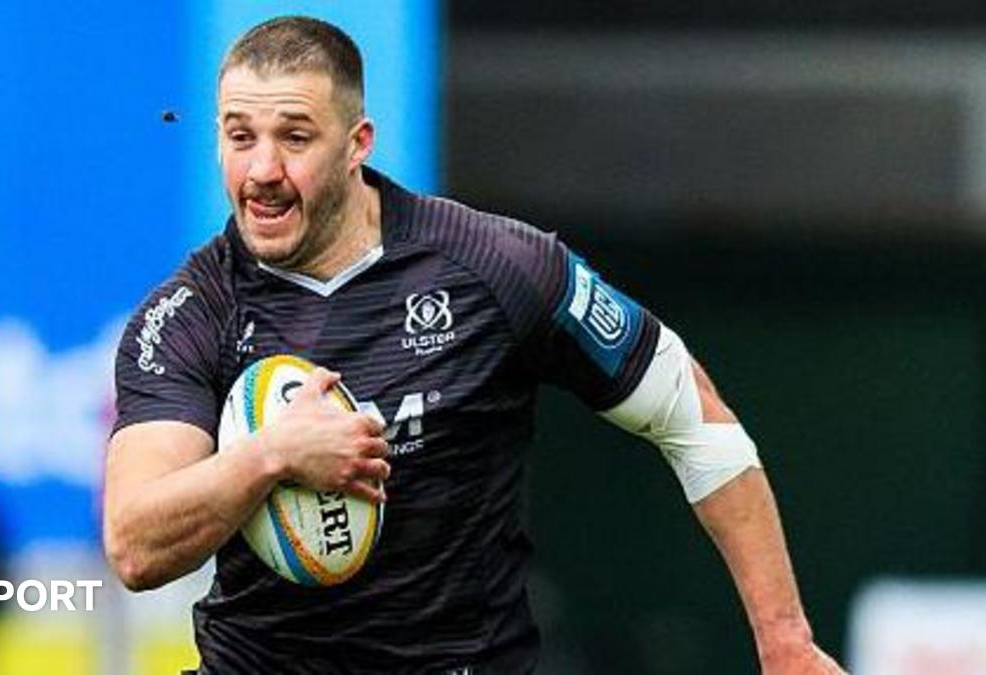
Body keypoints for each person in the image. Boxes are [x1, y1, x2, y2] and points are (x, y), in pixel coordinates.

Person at [104, 15, 845, 674]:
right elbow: (135, 543)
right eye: (240, 137)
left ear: (358, 143)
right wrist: (272, 455)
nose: (263, 170)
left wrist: (784, 640)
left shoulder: (497, 267)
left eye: (295, 137)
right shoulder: (189, 316)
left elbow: (694, 420)